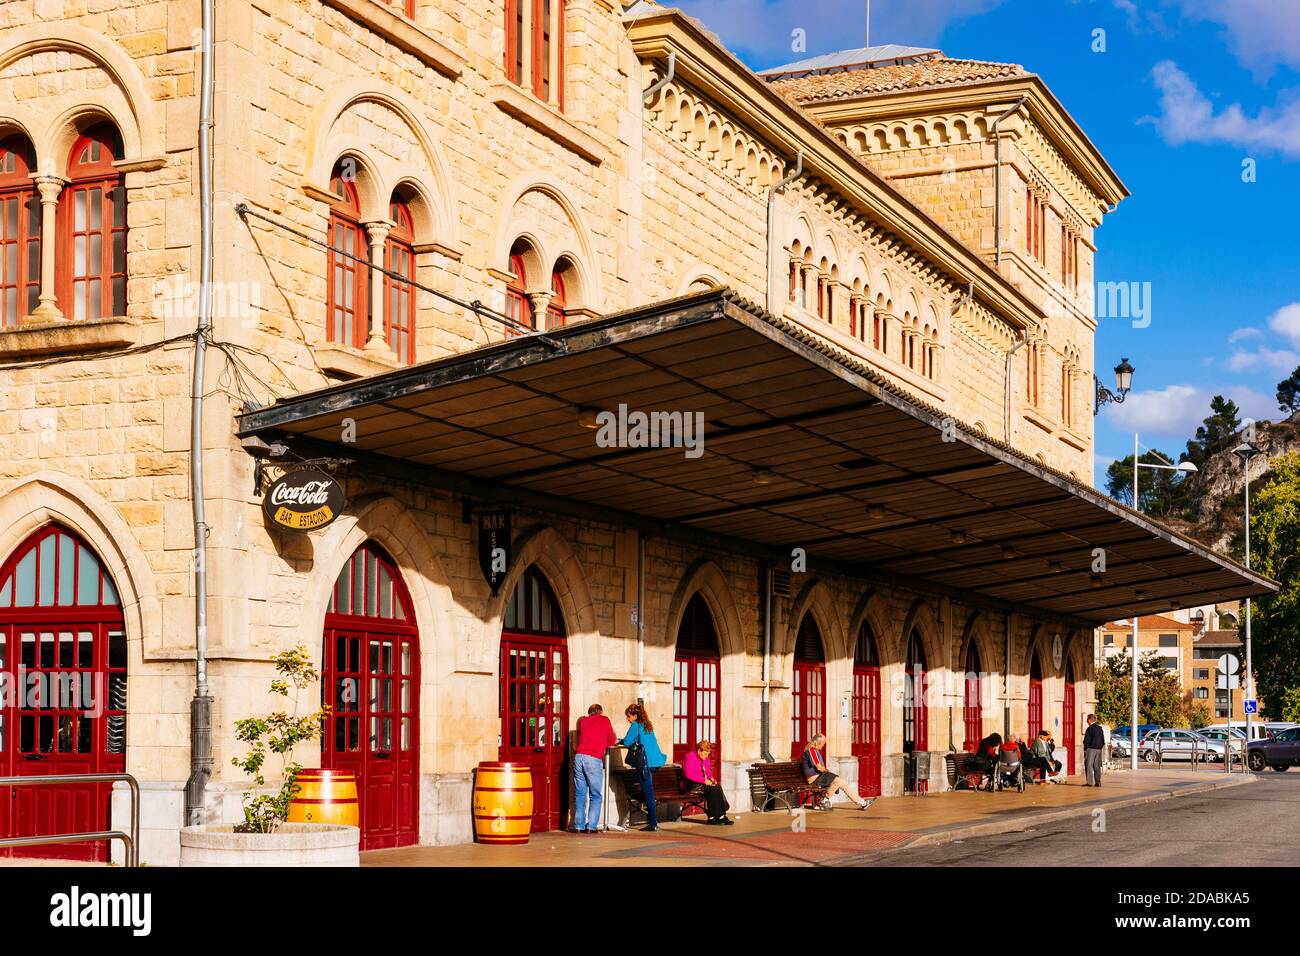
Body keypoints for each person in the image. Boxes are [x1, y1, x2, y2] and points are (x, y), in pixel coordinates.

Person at [621, 703, 667, 831]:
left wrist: (620, 740)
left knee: (648, 794)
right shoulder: (647, 725)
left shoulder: (635, 725)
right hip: (654, 762)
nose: (628, 719)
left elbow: (627, 741)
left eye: (629, 716)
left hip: (644, 765)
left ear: (635, 716)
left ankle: (653, 824)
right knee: (649, 793)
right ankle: (653, 822)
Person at [572, 703, 616, 833]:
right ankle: (591, 826)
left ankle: (578, 826)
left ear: (589, 712)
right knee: (595, 795)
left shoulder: (584, 721)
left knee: (580, 793)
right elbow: (611, 741)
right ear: (600, 712)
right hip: (593, 758)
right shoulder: (605, 720)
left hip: (579, 757)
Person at [801, 733, 874, 810]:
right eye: (823, 744)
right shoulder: (811, 750)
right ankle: (825, 800)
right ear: (818, 743)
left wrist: (829, 774)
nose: (823, 746)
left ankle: (863, 803)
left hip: (818, 776)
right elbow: (819, 767)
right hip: (814, 778)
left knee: (841, 782)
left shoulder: (813, 750)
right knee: (838, 781)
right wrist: (828, 772)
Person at [682, 740, 733, 825]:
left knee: (716, 787)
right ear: (699, 751)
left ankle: (719, 817)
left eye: (708, 754)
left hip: (702, 784)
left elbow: (708, 771)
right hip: (691, 785)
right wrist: (704, 781)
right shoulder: (689, 757)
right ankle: (714, 817)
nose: (707, 756)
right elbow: (689, 775)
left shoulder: (705, 758)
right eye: (705, 753)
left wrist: (711, 778)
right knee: (712, 789)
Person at [1083, 714, 1105, 787]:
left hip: (1091, 749)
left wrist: (1086, 749)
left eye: (1087, 719)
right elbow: (1102, 740)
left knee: (1088, 765)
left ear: (1089, 720)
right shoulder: (1100, 728)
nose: (1086, 721)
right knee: (1097, 766)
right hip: (1099, 749)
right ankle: (1098, 782)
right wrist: (1100, 747)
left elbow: (1087, 740)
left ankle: (1089, 782)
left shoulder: (1090, 729)